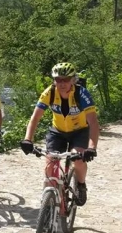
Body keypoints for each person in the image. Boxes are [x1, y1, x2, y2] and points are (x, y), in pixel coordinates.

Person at [19, 62, 99, 206]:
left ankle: (81, 185)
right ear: (54, 80)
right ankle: (49, 204)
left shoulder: (81, 93)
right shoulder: (49, 93)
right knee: (50, 164)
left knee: (78, 159)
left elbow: (93, 122)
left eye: (66, 79)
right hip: (57, 131)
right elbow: (35, 118)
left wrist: (91, 147)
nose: (62, 83)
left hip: (79, 131)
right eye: (58, 79)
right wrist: (27, 139)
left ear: (73, 79)